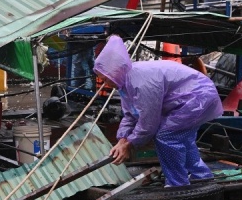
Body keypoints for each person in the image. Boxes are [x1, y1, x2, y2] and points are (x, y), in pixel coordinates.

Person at [93, 35, 223, 187]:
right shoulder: (125, 82)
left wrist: (129, 144)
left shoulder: (140, 83)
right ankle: (202, 176)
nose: (104, 83)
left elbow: (148, 123)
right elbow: (130, 115)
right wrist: (122, 138)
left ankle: (177, 184)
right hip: (191, 98)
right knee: (183, 139)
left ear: (115, 72)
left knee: (166, 136)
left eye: (106, 78)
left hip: (198, 97)